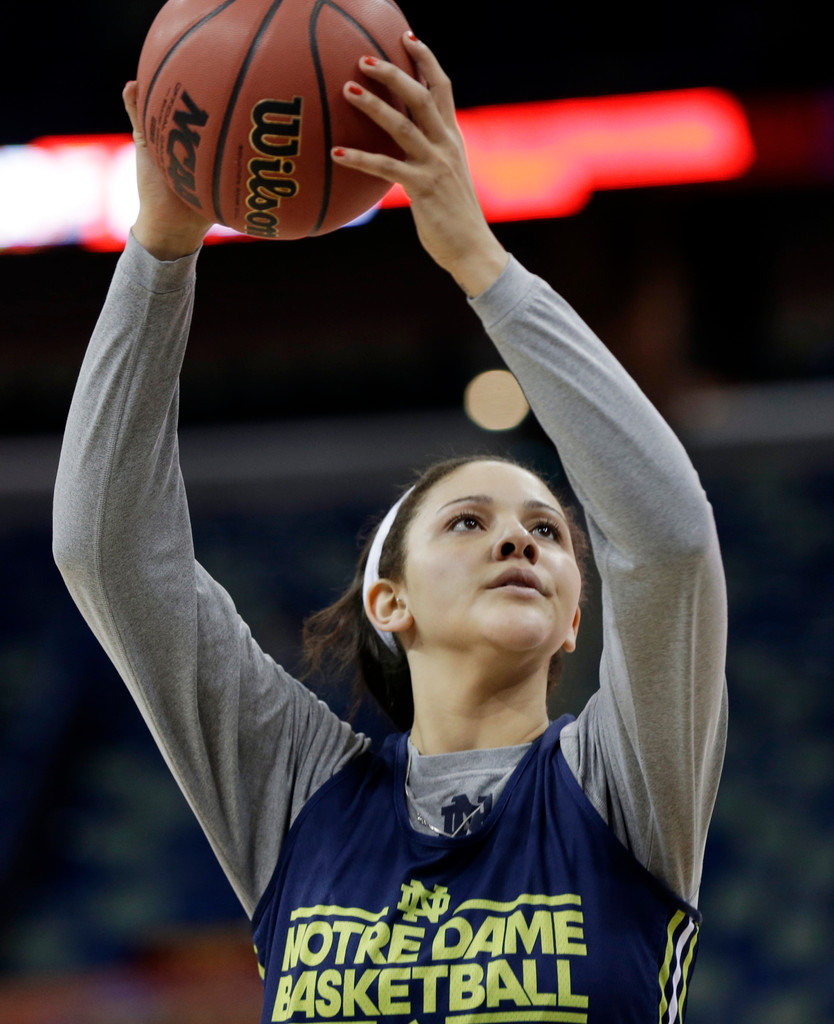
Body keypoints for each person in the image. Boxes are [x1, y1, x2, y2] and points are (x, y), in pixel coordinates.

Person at [53, 33, 727, 1024]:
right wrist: (160, 247)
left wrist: (480, 260)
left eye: (548, 531)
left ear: (578, 619)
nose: (521, 541)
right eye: (470, 520)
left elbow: (667, 544)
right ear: (389, 600)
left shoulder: (622, 788)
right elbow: (110, 556)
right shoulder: (294, 791)